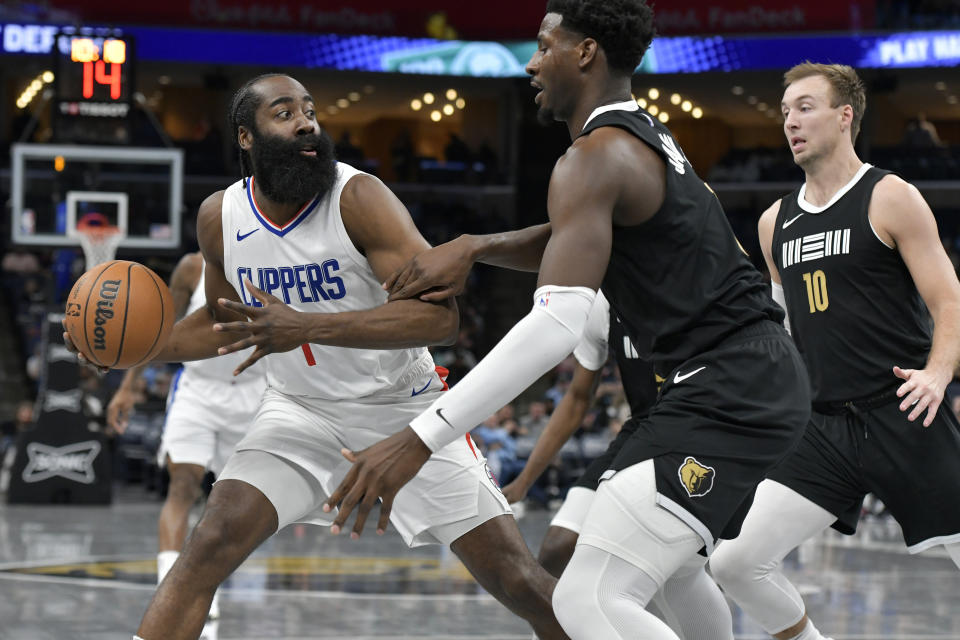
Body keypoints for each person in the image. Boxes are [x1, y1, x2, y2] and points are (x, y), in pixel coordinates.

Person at [323, 2, 811, 638]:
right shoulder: (638, 137)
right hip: (739, 378)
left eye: (544, 45)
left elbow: (555, 324)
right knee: (675, 573)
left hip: (727, 386)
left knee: (588, 599)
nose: (531, 62)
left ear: (585, 54)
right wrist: (479, 245)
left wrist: (418, 439)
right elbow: (582, 236)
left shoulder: (592, 158)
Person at [66, 74, 567, 640]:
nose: (306, 122)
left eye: (309, 110)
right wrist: (135, 350)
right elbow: (222, 322)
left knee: (518, 581)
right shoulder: (219, 217)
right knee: (207, 544)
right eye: (284, 113)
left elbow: (439, 319)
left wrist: (306, 327)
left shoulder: (360, 199)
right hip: (297, 413)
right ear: (246, 137)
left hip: (401, 412)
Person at [709, 62, 960, 640]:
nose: (790, 122)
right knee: (735, 563)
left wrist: (937, 375)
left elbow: (949, 301)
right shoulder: (775, 223)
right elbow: (781, 331)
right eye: (785, 112)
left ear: (845, 116)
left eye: (805, 107)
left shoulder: (890, 195)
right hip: (824, 428)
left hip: (903, 413)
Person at [502, 290, 732, 639]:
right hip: (641, 428)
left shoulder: (694, 278)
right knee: (557, 548)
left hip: (698, 429)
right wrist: (525, 479)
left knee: (680, 573)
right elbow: (578, 397)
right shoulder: (602, 305)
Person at [106, 252, 266, 635]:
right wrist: (129, 386)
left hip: (254, 391)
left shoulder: (275, 261)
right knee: (182, 486)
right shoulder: (193, 268)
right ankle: (169, 583)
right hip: (197, 391)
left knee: (232, 504)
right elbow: (157, 331)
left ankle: (204, 585)